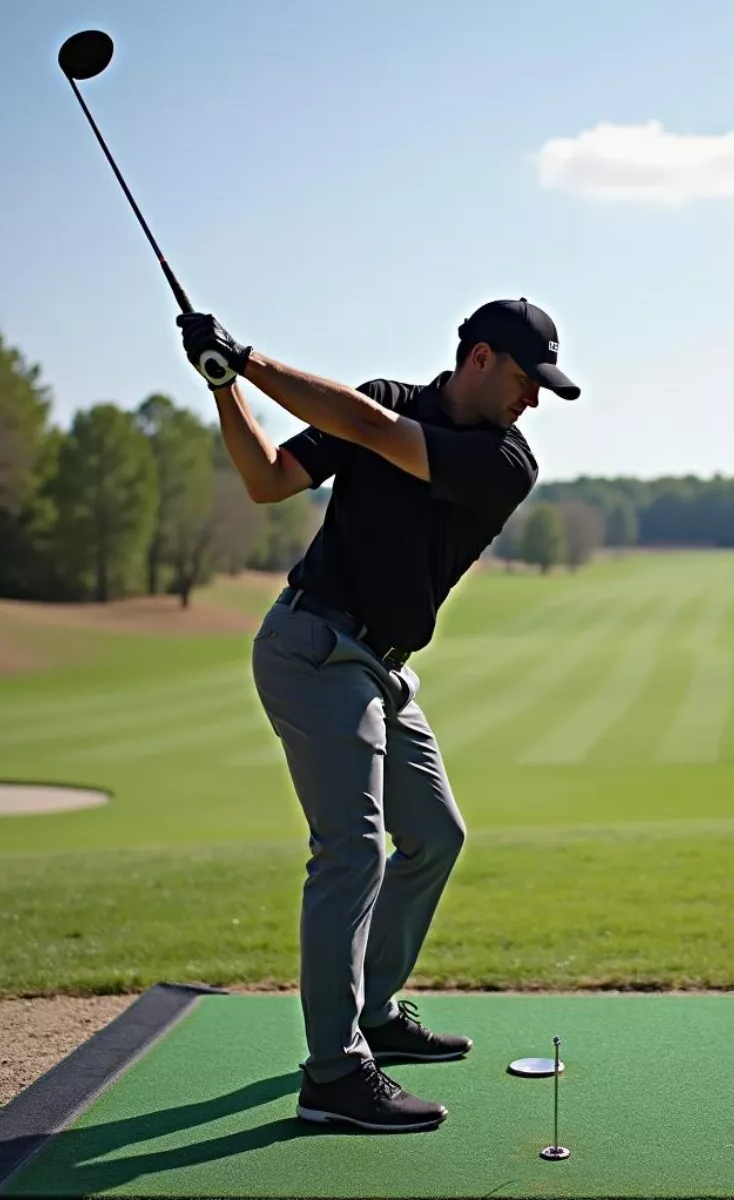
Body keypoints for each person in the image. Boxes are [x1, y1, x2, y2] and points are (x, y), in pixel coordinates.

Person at [176, 298, 580, 1133]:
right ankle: (333, 1073)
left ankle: (372, 1011)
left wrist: (247, 357)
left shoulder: (505, 460)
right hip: (313, 649)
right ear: (477, 358)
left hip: (381, 669)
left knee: (436, 835)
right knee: (352, 850)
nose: (532, 400)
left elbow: (371, 432)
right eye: (524, 379)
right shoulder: (387, 399)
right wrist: (225, 385)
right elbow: (266, 481)